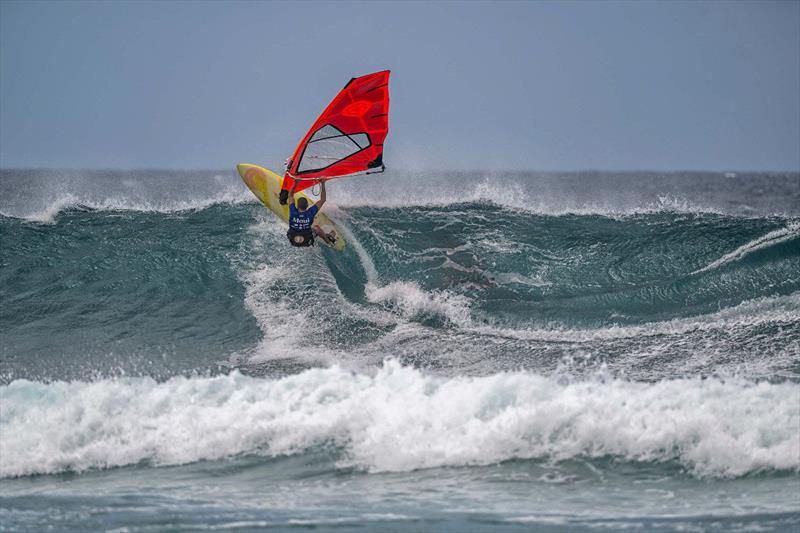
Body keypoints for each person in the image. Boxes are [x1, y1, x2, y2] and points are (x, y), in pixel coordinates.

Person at [286, 178, 326, 247]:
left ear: (297, 206)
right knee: (316, 228)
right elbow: (323, 200)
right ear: (307, 206)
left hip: (292, 240)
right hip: (306, 241)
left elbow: (290, 195)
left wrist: (295, 183)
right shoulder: (310, 214)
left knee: (296, 231)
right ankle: (328, 241)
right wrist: (323, 183)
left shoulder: (293, 212)